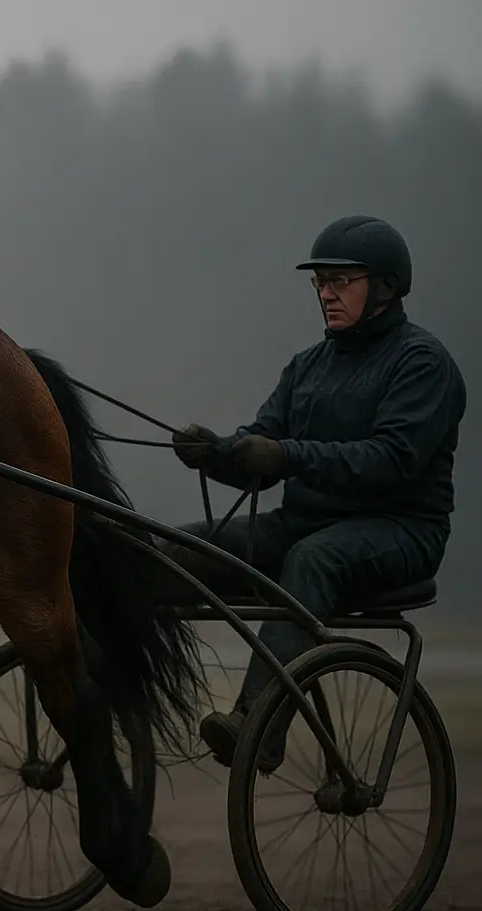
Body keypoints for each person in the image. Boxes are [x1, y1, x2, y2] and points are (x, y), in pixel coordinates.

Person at [167, 214, 467, 772]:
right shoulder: (307, 365)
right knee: (175, 550)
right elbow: (262, 452)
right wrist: (213, 452)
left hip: (399, 531)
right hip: (303, 524)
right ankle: (109, 689)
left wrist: (288, 455)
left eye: (341, 282)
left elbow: (392, 461)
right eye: (320, 283)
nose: (326, 294)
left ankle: (258, 723)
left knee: (312, 559)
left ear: (385, 287)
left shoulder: (422, 364)